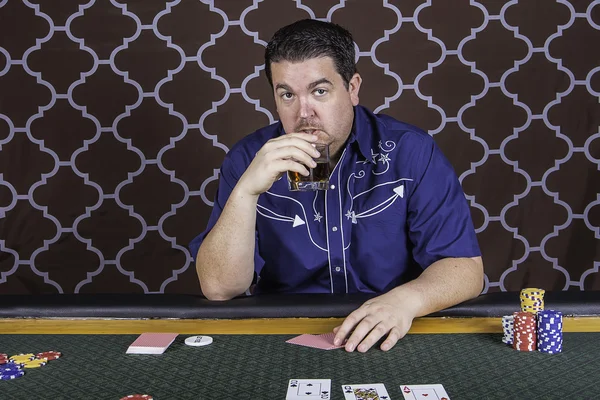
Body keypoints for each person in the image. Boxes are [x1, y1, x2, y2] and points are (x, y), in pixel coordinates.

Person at [189, 19, 483, 353]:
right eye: (287, 95)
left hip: (391, 328)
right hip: (281, 334)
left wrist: (405, 301)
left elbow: (465, 270)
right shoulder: (247, 159)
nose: (304, 114)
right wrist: (246, 192)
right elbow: (219, 288)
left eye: (319, 91)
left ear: (353, 88)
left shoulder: (411, 151)